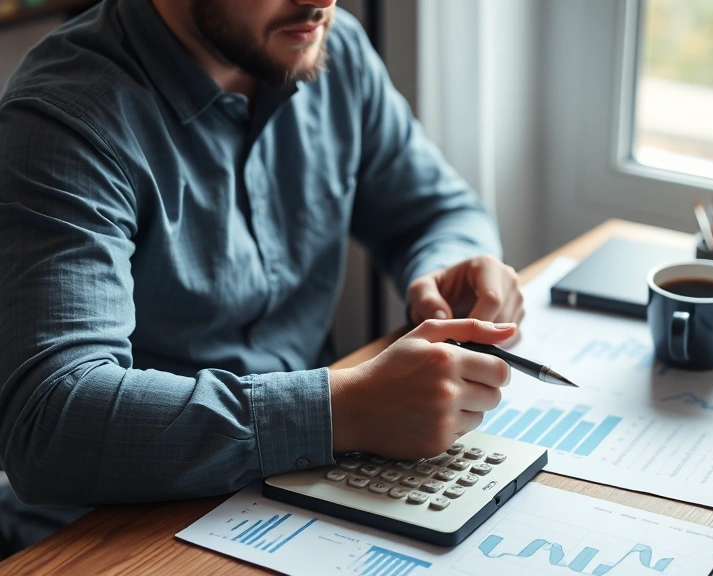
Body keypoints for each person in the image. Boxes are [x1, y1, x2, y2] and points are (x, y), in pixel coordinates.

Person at [0, 0, 524, 556]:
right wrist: (337, 410)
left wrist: (447, 266)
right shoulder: (61, 122)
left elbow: (438, 211)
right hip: (116, 530)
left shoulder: (330, 47)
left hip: (310, 482)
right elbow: (49, 421)